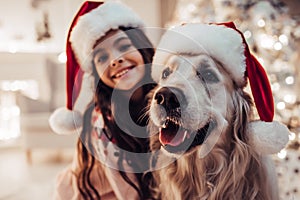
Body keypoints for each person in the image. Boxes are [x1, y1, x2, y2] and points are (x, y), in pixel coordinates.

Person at [49, 1, 156, 199]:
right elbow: (130, 195)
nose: (115, 60)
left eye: (123, 46)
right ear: (96, 75)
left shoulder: (163, 93)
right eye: (101, 58)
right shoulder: (102, 125)